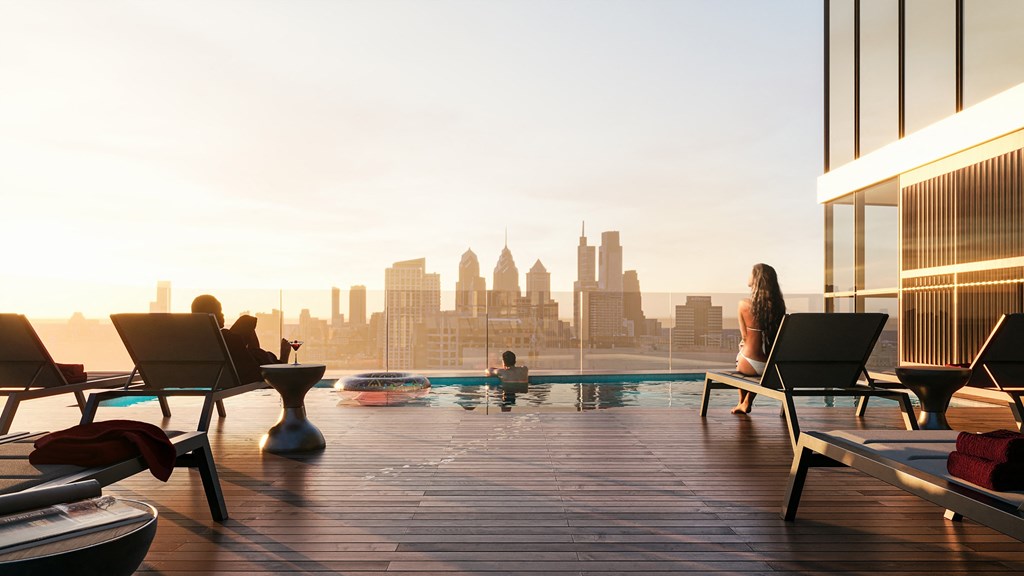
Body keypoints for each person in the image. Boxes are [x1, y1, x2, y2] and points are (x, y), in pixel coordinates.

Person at [191, 294, 289, 384]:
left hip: (208, 377)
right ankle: (280, 365)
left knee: (247, 324)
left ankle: (258, 354)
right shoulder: (225, 338)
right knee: (247, 322)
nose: (223, 314)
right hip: (239, 376)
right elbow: (249, 368)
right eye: (219, 311)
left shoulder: (191, 341)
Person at [732, 263, 786, 414]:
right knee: (755, 365)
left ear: (756, 279)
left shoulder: (743, 304)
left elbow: (744, 336)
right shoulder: (779, 306)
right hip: (769, 366)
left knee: (741, 353)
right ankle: (747, 401)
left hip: (747, 363)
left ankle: (741, 402)